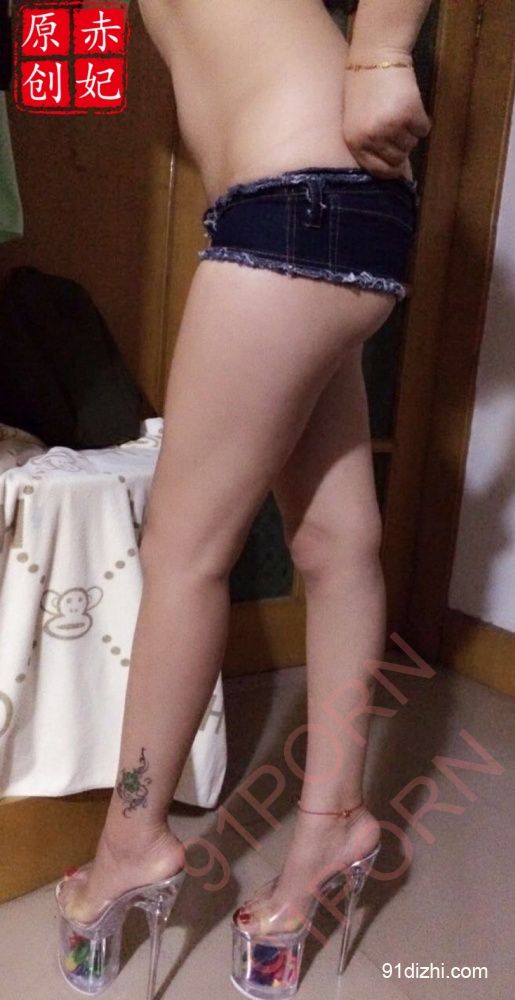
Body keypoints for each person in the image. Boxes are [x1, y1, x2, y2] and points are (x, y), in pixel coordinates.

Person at [55, 1, 433, 997]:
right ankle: (331, 826)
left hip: (291, 199)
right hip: (327, 201)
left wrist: (383, 49)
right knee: (335, 545)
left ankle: (129, 843)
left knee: (182, 553)